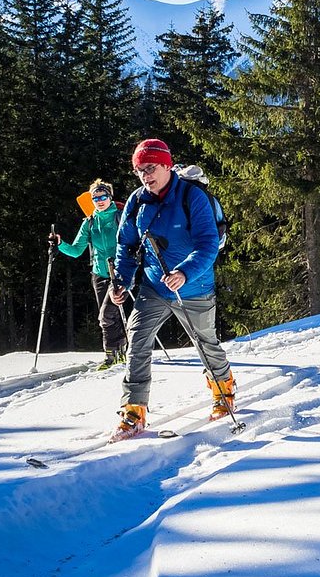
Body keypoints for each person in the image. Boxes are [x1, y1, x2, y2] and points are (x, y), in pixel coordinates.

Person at [109, 138, 234, 440]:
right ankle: (133, 409)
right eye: (139, 170)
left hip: (194, 286)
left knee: (204, 342)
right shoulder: (138, 201)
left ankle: (223, 391)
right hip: (153, 286)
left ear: (166, 164)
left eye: (150, 168)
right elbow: (126, 246)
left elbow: (208, 245)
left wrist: (184, 273)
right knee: (137, 339)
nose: (145, 175)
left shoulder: (193, 197)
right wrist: (122, 282)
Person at [52, 179, 126, 368]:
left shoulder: (120, 216)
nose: (99, 200)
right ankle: (119, 351)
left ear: (110, 197)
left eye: (103, 196)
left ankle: (112, 355)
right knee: (109, 315)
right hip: (99, 274)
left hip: (121, 272)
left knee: (107, 315)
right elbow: (77, 250)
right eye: (95, 198)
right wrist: (60, 244)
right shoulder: (89, 222)